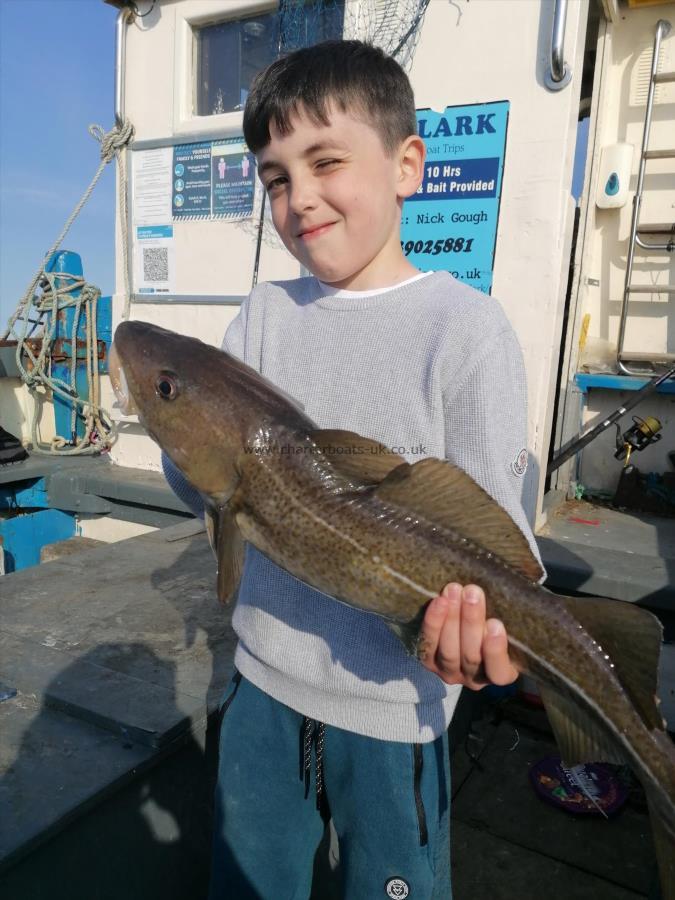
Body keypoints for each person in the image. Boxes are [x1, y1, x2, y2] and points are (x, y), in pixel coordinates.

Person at [163, 39, 542, 900]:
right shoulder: (258, 318)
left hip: (396, 715)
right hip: (261, 688)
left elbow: (506, 547)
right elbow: (208, 490)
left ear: (406, 164)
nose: (300, 198)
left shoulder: (466, 330)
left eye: (325, 161)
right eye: (274, 178)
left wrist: (477, 642)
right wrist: (179, 444)